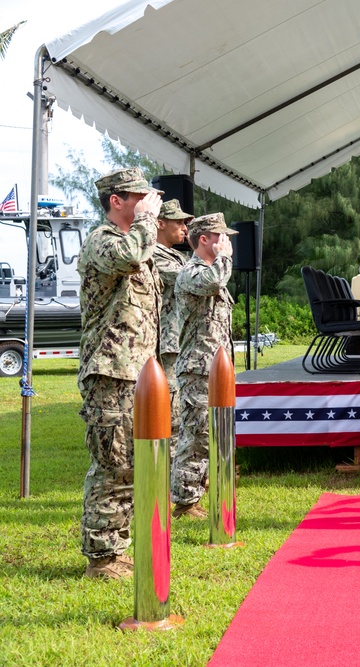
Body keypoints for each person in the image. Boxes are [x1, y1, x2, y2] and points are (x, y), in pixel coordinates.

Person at [78, 167, 163, 579]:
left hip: (136, 374)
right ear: (117, 200)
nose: (148, 204)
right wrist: (147, 221)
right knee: (112, 465)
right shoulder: (102, 241)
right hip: (110, 373)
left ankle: (118, 546)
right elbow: (129, 255)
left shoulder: (140, 245)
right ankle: (102, 557)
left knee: (131, 463)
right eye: (140, 197)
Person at [171, 213, 238, 518]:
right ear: (204, 240)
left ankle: (195, 494)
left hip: (215, 368)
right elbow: (212, 282)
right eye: (220, 238)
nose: (225, 243)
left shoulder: (212, 271)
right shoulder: (193, 272)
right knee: (196, 435)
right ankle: (185, 501)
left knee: (209, 432)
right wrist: (224, 258)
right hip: (198, 367)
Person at [153, 199, 193, 458]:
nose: (185, 228)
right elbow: (191, 281)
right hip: (167, 341)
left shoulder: (177, 255)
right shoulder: (153, 254)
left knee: (181, 407)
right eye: (179, 222)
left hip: (181, 339)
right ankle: (168, 472)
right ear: (159, 223)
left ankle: (176, 470)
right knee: (171, 409)